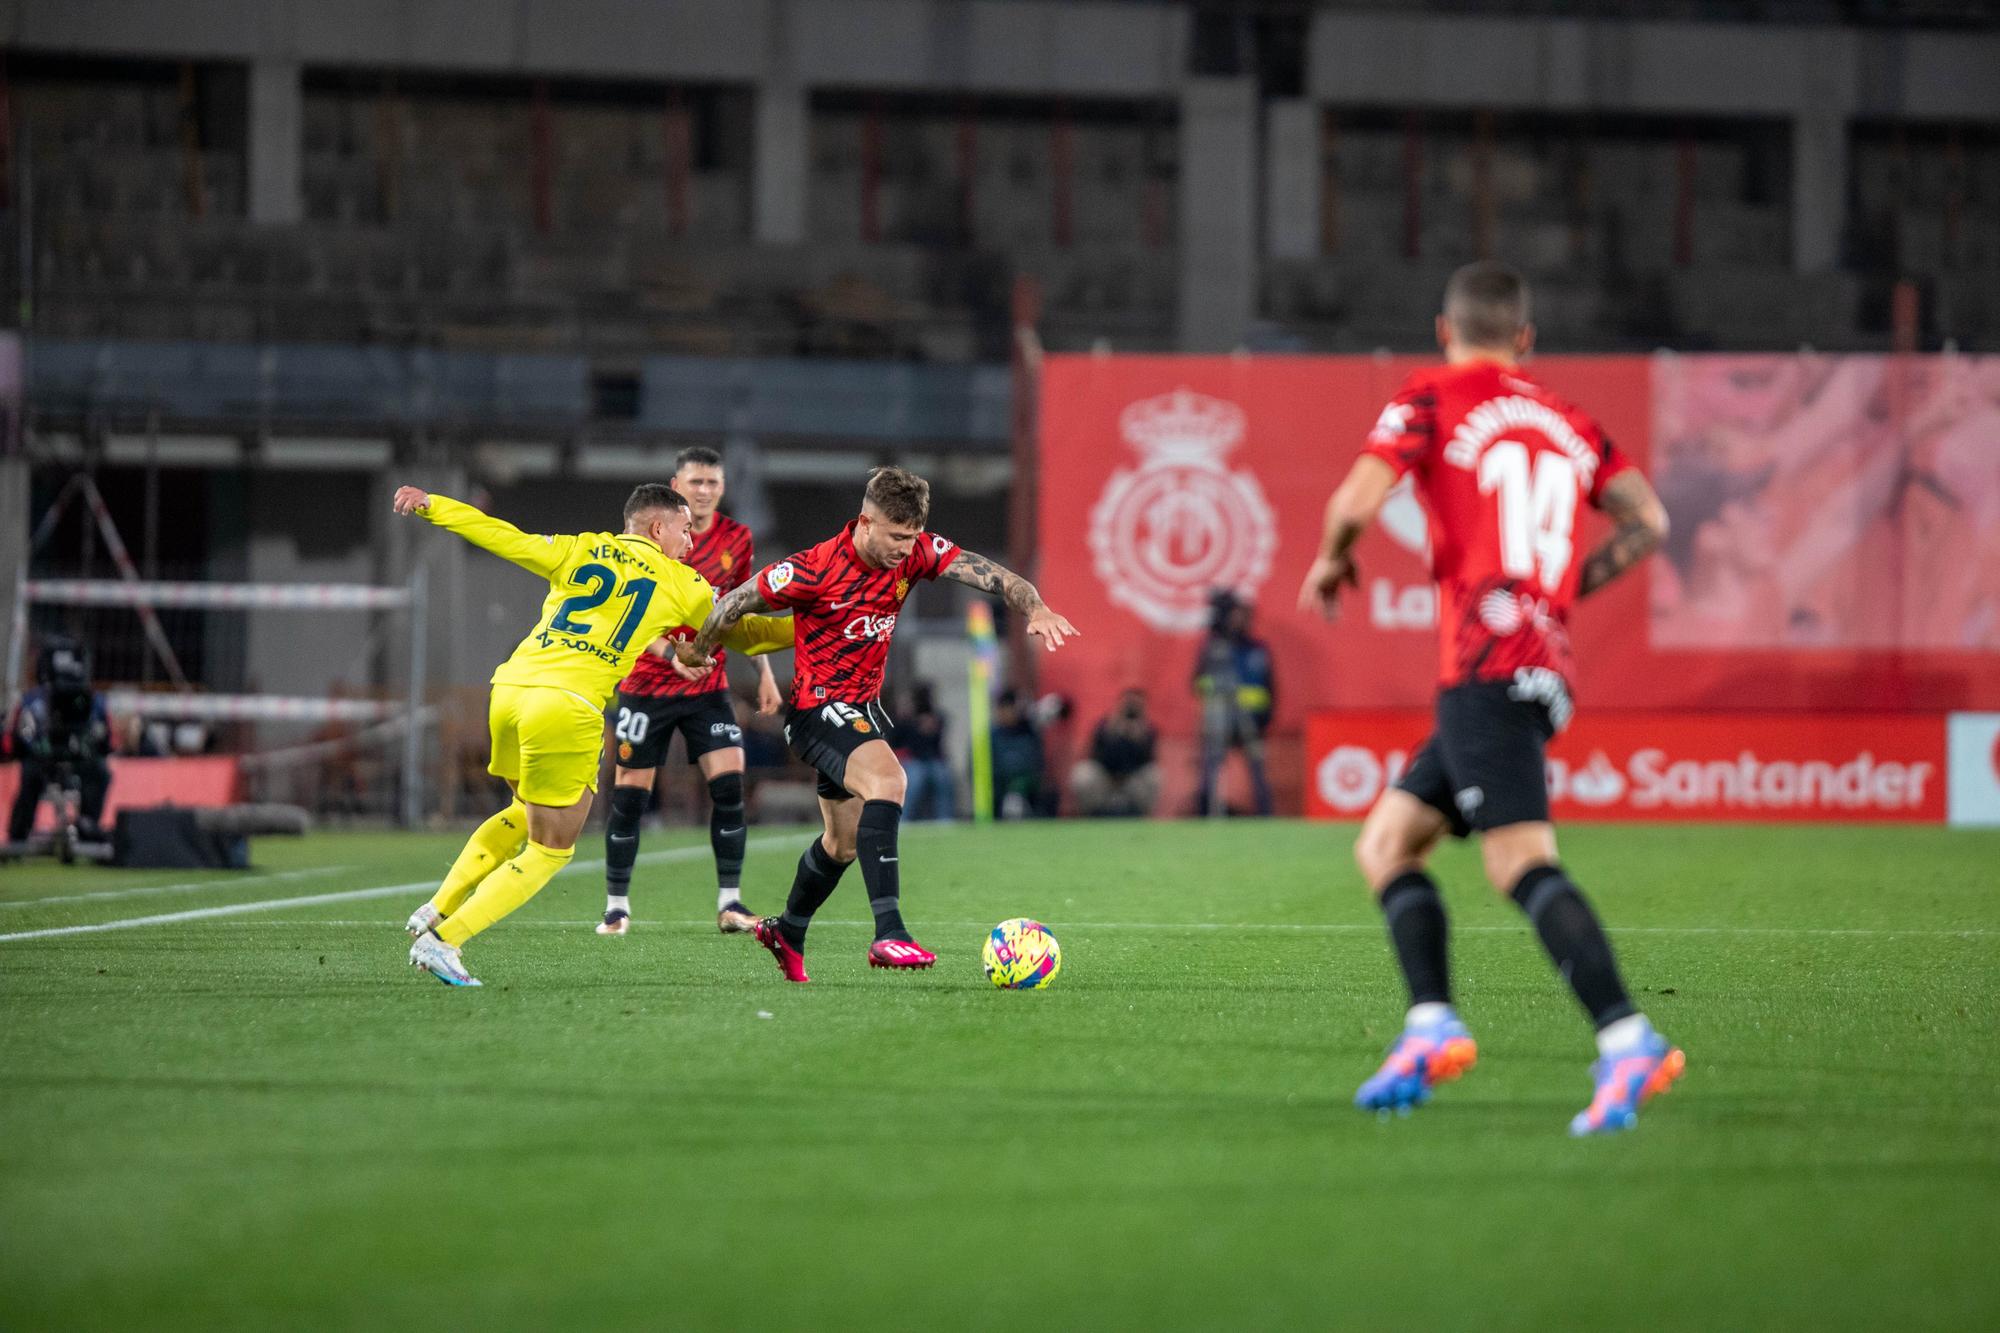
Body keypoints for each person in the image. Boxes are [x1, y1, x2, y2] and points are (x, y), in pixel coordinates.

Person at [1297, 260, 1683, 1136]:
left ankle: (1628, 1037)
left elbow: (1355, 498)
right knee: (1388, 841)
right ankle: (1431, 1027)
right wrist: (1563, 589)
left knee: (1519, 862)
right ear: (1525, 338)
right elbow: (1649, 520)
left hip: (1485, 668)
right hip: (1541, 665)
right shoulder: (1567, 417)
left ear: (1445, 330)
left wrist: (1331, 557)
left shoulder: (1435, 395)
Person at [686, 465, 1077, 983]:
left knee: (841, 845)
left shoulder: (918, 552)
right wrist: (699, 651)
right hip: (816, 709)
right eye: (895, 536)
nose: (904, 548)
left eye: (912, 536)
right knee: (890, 781)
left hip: (860, 711)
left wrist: (1037, 607)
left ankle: (787, 930)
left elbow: (1000, 577)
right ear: (864, 522)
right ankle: (890, 933)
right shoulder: (812, 568)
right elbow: (735, 602)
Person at [392, 483, 793, 986]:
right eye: (686, 530)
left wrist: (436, 507)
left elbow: (503, 537)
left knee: (523, 811)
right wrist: (821, 620)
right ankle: (445, 940)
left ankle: (435, 909)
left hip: (510, 690)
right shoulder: (682, 582)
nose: (691, 543)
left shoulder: (580, 546)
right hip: (567, 706)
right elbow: (751, 632)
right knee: (551, 849)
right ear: (657, 528)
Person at [598, 447, 787, 938]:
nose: (705, 491)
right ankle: (616, 906)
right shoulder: (649, 538)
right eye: (696, 482)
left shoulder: (736, 539)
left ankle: (730, 903)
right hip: (645, 685)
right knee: (630, 799)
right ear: (676, 486)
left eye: (713, 483)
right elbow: (628, 612)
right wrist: (669, 653)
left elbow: (738, 611)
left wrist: (763, 671)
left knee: (729, 789)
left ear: (722, 489)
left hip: (708, 687)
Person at [5, 637, 113, 848]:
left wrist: (88, 743)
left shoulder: (91, 701)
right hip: (43, 758)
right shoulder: (34, 701)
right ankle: (18, 833)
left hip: (79, 757)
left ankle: (87, 826)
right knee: (30, 771)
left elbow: (105, 739)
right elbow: (20, 739)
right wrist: (37, 748)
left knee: (101, 771)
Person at [1193, 591, 1275, 817]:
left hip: (1251, 721)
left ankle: (1265, 813)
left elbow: (1270, 688)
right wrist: (1216, 697)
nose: (1239, 620)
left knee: (1257, 767)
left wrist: (1264, 718)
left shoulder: (1257, 649)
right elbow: (1198, 683)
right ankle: (1205, 811)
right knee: (1211, 765)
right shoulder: (1211, 648)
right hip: (1219, 718)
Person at [1069, 687, 1159, 818]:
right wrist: (1114, 731)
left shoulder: (1148, 731)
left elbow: (1148, 760)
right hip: (1105, 780)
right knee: (1083, 773)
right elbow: (1095, 754)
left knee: (1154, 775)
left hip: (1131, 782)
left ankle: (1141, 815)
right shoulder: (1105, 726)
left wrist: (1138, 737)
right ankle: (1089, 815)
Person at [893, 682, 953, 821]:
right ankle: (904, 819)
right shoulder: (906, 719)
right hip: (913, 760)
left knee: (942, 777)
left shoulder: (937, 718)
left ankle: (944, 819)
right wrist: (911, 722)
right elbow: (896, 739)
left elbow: (938, 741)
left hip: (933, 760)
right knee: (914, 780)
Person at [989, 689, 1047, 819]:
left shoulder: (1028, 734)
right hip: (998, 790)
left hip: (1026, 790)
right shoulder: (991, 737)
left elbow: (1037, 764)